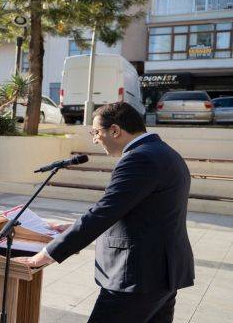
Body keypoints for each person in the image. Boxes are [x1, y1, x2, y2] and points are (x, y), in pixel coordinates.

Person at [15, 102, 195, 322]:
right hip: (162, 273)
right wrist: (72, 227)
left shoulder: (139, 158)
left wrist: (45, 256)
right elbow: (135, 212)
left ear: (115, 130)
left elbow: (104, 212)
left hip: (137, 277)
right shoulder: (165, 152)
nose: (95, 139)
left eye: (96, 132)